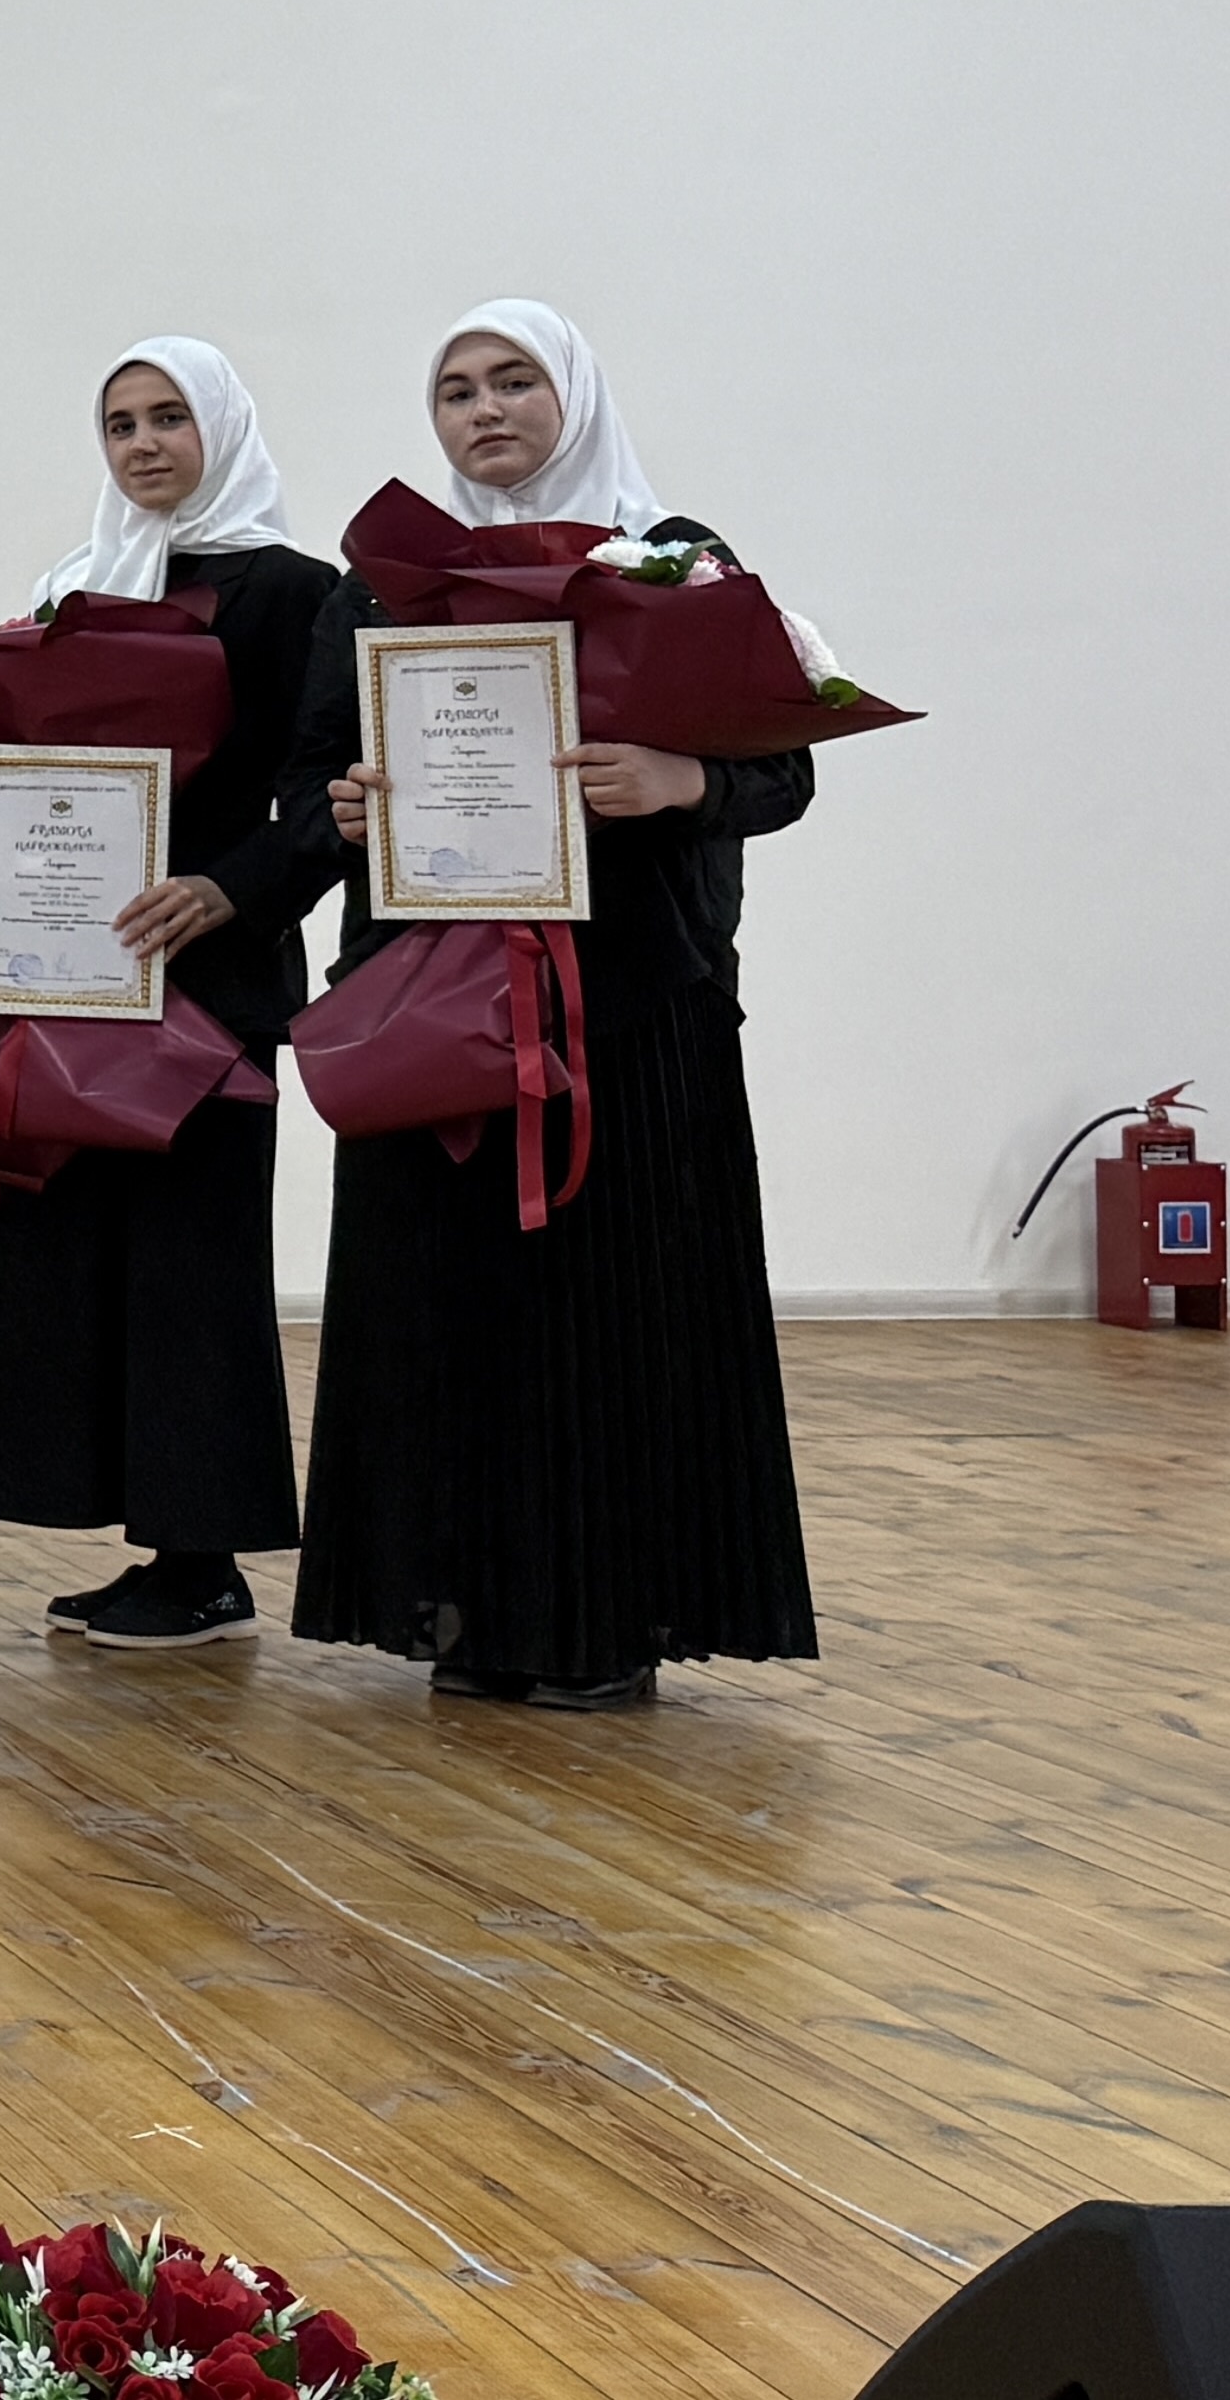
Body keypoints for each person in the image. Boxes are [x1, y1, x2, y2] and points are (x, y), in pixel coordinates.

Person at [298, 303, 816, 1711]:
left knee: (611, 1315)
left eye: (515, 380)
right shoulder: (382, 587)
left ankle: (604, 1621)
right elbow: (313, 772)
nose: (486, 409)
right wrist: (347, 806)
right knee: (445, 1311)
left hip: (628, 1008)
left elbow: (786, 770)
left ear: (574, 395)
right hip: (436, 1000)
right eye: (457, 390)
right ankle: (462, 1610)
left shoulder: (673, 561)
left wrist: (681, 781)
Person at [0, 339, 339, 1650]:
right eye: (120, 423)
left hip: (213, 977)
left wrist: (231, 890)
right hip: (84, 969)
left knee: (193, 1269)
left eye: (170, 416)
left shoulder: (296, 593)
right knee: (89, 1265)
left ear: (222, 426)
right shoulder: (81, 585)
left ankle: (204, 1560)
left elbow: (326, 795)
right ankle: (143, 1540)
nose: (144, 443)